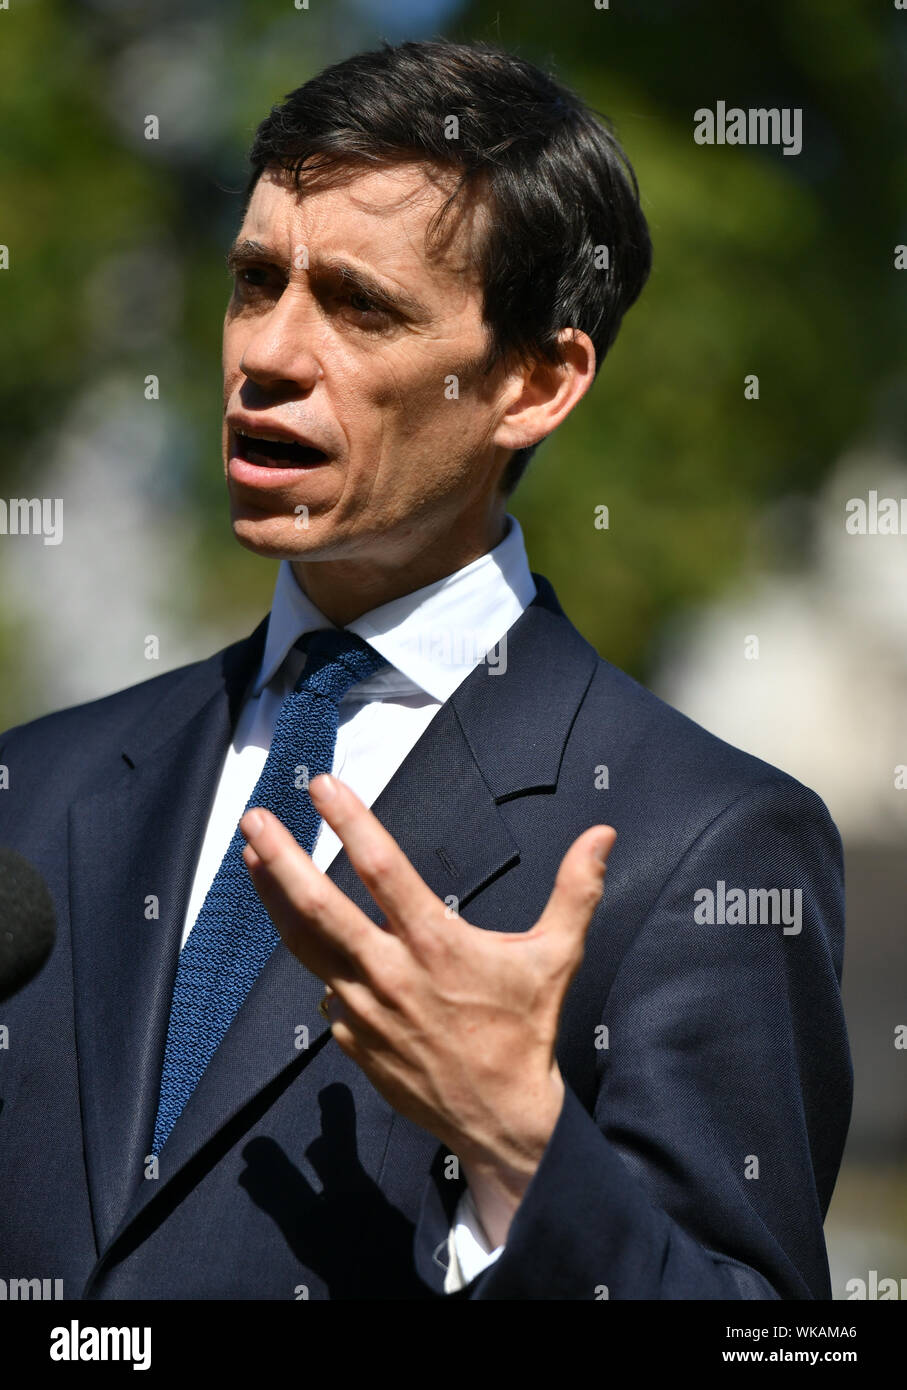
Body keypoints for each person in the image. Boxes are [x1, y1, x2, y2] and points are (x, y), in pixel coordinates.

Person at [0, 39, 851, 1300]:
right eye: (253, 281)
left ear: (535, 382)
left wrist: (523, 1145)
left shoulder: (702, 848)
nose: (268, 353)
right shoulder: (38, 783)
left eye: (358, 305)